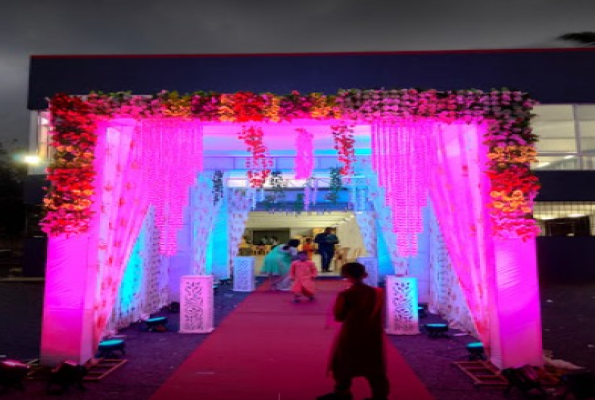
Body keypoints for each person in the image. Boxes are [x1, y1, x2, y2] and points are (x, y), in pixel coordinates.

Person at [317, 262, 389, 400]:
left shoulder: (346, 294)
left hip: (351, 332)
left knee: (344, 362)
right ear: (364, 274)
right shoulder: (377, 293)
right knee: (374, 364)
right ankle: (380, 395)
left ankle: (342, 392)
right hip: (372, 332)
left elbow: (339, 316)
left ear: (346, 276)